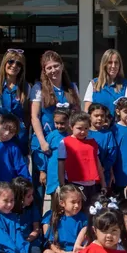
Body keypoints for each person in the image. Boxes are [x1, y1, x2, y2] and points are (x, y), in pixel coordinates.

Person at [30, 50, 81, 197]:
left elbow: (77, 115)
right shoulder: (38, 88)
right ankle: (38, 220)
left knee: (64, 185)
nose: (53, 70)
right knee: (39, 187)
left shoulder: (71, 87)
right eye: (49, 67)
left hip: (64, 142)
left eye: (56, 66)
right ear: (44, 71)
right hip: (44, 142)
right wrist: (42, 142)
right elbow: (35, 117)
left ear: (62, 66)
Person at [33, 184, 88, 253]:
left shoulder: (83, 218)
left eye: (79, 202)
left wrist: (79, 251)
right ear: (62, 203)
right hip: (62, 252)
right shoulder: (56, 219)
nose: (77, 205)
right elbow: (51, 243)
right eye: (73, 202)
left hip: (78, 252)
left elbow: (87, 238)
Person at [60, 111, 107, 204]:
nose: (83, 131)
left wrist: (103, 183)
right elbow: (61, 164)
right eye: (79, 128)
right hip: (74, 183)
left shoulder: (93, 142)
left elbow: (97, 163)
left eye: (86, 128)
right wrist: (62, 185)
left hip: (91, 184)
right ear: (71, 127)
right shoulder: (65, 142)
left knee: (91, 210)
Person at [0, 48, 30, 153]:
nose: (14, 65)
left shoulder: (26, 87)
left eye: (19, 64)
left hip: (19, 137)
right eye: (11, 61)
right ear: (4, 63)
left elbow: (28, 113)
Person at [0, 113, 31, 184]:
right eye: (5, 129)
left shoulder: (13, 148)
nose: (7, 133)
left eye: (11, 132)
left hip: (9, 188)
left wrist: (26, 184)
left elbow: (21, 168)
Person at [82, 49, 127, 114]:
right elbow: (87, 111)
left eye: (116, 62)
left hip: (118, 124)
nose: (113, 66)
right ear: (104, 65)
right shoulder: (94, 84)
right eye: (110, 62)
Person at [88, 103, 119, 193]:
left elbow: (112, 154)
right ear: (90, 116)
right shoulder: (85, 133)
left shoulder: (108, 134)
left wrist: (104, 167)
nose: (99, 118)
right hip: (87, 176)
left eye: (102, 116)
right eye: (96, 115)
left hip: (104, 175)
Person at [11, 176, 42, 253]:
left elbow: (36, 229)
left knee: (36, 252)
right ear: (19, 197)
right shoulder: (9, 210)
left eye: (32, 195)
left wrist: (27, 240)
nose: (32, 198)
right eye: (28, 196)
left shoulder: (32, 207)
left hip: (28, 240)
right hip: (13, 241)